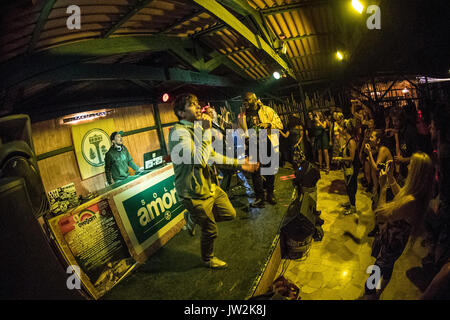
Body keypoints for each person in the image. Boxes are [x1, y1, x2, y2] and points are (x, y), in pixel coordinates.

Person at [168, 93, 258, 269]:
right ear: (181, 113)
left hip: (208, 186)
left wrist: (241, 164)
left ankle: (194, 218)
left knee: (229, 214)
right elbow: (200, 160)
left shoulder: (196, 129)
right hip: (193, 194)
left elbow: (212, 156)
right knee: (210, 230)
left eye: (196, 103)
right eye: (191, 104)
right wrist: (207, 129)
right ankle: (207, 259)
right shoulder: (178, 133)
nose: (197, 106)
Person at [363, 152, 435, 299]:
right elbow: (400, 196)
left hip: (389, 246)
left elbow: (380, 216)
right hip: (395, 246)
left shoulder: (411, 201)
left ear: (416, 172)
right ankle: (378, 295)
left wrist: (382, 187)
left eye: (411, 165)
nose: (407, 166)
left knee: (372, 279)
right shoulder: (416, 195)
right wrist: (390, 180)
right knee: (387, 269)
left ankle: (370, 296)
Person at [238, 92, 283, 207]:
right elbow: (240, 131)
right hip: (252, 144)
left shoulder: (267, 110)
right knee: (255, 171)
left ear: (255, 99)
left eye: (248, 100)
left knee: (269, 169)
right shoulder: (242, 115)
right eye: (244, 100)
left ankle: (270, 194)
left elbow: (280, 124)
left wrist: (268, 124)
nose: (245, 102)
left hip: (266, 141)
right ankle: (259, 197)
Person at [333, 119, 359, 215]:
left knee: (351, 187)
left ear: (346, 130)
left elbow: (351, 158)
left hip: (352, 168)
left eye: (342, 128)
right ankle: (351, 202)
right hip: (347, 168)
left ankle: (353, 207)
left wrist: (340, 158)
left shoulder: (351, 142)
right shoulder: (347, 140)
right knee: (348, 186)